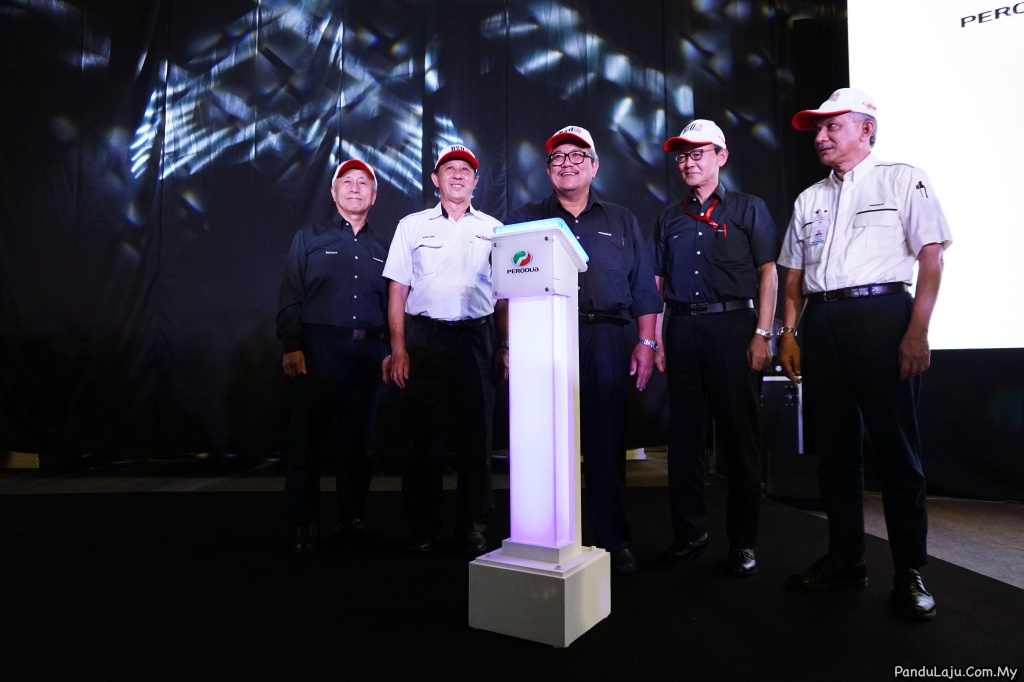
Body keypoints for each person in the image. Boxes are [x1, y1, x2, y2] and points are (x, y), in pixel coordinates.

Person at [777, 88, 952, 620]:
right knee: (835, 454)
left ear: (865, 130)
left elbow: (931, 257)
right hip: (823, 322)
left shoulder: (902, 178)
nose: (821, 136)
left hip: (882, 318)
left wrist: (917, 330)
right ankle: (847, 558)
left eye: (832, 126)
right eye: (817, 129)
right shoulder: (808, 198)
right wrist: (789, 332)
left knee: (897, 453)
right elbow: (793, 277)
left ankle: (909, 570)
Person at [508, 126, 662, 574]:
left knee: (605, 443)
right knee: (544, 442)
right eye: (558, 157)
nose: (567, 163)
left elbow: (643, 288)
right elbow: (506, 285)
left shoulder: (621, 219)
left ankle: (613, 541)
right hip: (545, 337)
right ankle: (544, 539)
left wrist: (647, 341)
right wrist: (509, 343)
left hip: (608, 337)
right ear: (548, 170)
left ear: (594, 167)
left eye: (577, 156)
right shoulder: (526, 219)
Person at [652, 120, 779, 576]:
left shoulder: (748, 208)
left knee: (739, 441)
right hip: (682, 328)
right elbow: (658, 283)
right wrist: (657, 338)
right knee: (684, 440)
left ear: (721, 156)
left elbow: (768, 271)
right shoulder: (669, 217)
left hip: (733, 327)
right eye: (682, 155)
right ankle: (690, 534)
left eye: (698, 153)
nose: (688, 162)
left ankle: (742, 542)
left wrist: (763, 333)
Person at [383, 144, 508, 556]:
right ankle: (423, 526)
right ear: (435, 179)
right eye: (449, 168)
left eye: (465, 170)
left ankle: (472, 524)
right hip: (425, 338)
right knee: (422, 439)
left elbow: (504, 297)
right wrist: (398, 348)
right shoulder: (412, 226)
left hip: (477, 339)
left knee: (477, 438)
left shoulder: (495, 229)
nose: (457, 175)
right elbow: (397, 290)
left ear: (476, 181)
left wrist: (504, 346)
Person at [277, 159, 390, 555]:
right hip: (318, 349)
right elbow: (291, 294)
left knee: (359, 446)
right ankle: (303, 522)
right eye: (347, 181)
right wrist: (292, 344)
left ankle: (351, 518)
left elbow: (394, 304)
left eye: (363, 182)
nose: (355, 187)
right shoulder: (308, 237)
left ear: (374, 196)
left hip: (368, 354)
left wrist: (390, 351)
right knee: (307, 442)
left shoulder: (385, 248)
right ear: (333, 191)